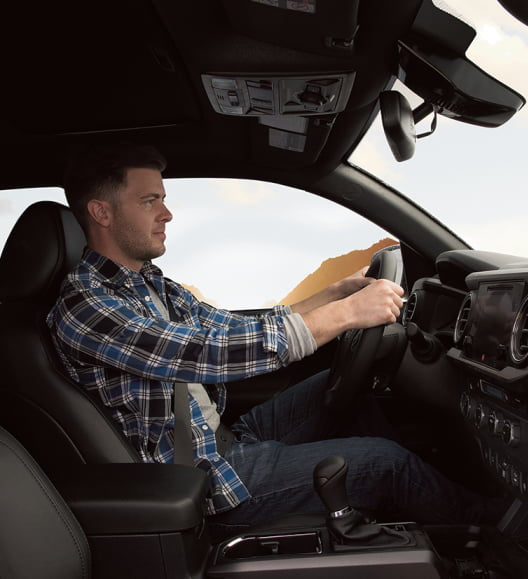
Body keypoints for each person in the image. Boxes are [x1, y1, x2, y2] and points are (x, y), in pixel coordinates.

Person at [47, 144, 497, 537]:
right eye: (149, 201)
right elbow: (204, 353)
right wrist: (344, 317)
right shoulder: (86, 307)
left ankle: (387, 513)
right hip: (204, 481)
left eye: (163, 200)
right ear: (102, 213)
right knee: (387, 463)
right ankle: (499, 536)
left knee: (345, 393)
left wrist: (332, 296)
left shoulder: (148, 283)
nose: (166, 213)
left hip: (219, 439)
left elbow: (222, 326)